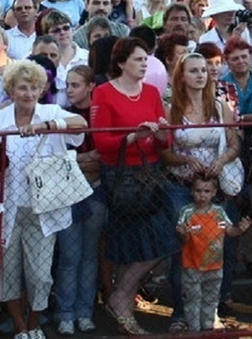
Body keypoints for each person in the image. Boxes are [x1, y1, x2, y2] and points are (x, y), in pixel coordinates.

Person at [0, 60, 88, 339]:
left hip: (43, 209)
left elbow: (82, 124)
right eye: (22, 88)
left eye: (33, 88)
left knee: (41, 276)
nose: (28, 93)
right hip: (7, 208)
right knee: (7, 274)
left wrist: (49, 125)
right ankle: (20, 328)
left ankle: (34, 324)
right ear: (11, 89)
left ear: (42, 89)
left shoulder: (51, 111)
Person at [91, 37, 176, 335]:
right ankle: (123, 304)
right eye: (139, 59)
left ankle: (119, 296)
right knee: (130, 244)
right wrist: (133, 137)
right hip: (122, 179)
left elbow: (165, 140)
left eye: (146, 60)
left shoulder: (152, 92)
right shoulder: (103, 93)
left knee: (163, 239)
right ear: (121, 63)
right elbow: (101, 143)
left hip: (150, 173)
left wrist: (163, 133)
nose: (144, 64)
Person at [159, 51, 239, 333]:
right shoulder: (171, 110)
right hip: (182, 188)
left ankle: (212, 309)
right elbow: (165, 153)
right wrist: (184, 160)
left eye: (203, 70)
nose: (200, 75)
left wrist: (223, 159)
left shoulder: (219, 106)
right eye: (193, 70)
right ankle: (181, 312)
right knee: (185, 247)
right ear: (182, 76)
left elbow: (234, 143)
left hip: (216, 187)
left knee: (222, 244)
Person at [54, 65, 104, 335]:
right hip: (68, 192)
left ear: (90, 86)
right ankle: (65, 312)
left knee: (89, 255)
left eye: (75, 85)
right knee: (70, 255)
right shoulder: (63, 116)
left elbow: (103, 155)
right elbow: (64, 158)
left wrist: (83, 159)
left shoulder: (101, 115)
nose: (70, 91)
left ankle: (85, 311)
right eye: (67, 86)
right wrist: (84, 158)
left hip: (96, 190)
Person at [175, 175, 251, 332]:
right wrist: (182, 233)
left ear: (214, 192)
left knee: (211, 299)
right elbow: (185, 238)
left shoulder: (219, 212)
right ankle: (194, 330)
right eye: (198, 191)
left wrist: (240, 229)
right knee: (192, 300)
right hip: (192, 265)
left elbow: (229, 230)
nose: (202, 195)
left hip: (215, 265)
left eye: (207, 191)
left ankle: (208, 328)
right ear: (192, 191)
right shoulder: (187, 212)